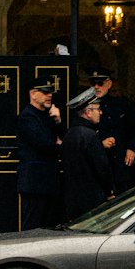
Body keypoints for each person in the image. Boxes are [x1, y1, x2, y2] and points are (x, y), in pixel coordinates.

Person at [15, 79, 64, 230]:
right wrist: (60, 146)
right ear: (33, 94)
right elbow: (43, 144)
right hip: (35, 182)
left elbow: (64, 138)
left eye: (50, 92)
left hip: (49, 181)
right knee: (32, 225)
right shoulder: (28, 117)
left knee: (49, 226)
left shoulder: (48, 116)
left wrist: (58, 120)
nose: (49, 95)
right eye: (44, 92)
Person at [89, 67, 135, 193]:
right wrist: (100, 143)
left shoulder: (121, 104)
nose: (96, 87)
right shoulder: (87, 108)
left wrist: (132, 148)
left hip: (121, 164)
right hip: (100, 166)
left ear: (109, 84)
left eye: (100, 83)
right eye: (93, 83)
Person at [63, 93, 115, 219]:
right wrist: (109, 192)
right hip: (92, 199)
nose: (100, 113)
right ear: (88, 112)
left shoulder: (70, 134)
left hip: (72, 199)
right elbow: (102, 167)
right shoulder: (90, 135)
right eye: (98, 109)